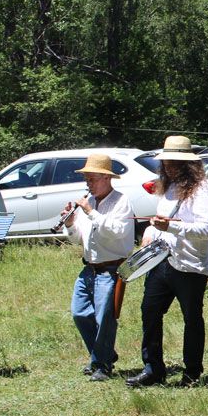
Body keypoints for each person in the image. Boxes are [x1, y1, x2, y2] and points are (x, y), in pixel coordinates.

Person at [127, 136, 208, 388]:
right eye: (166, 162)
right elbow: (162, 221)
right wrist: (151, 233)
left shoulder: (204, 191)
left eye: (175, 162)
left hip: (190, 264)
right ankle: (153, 369)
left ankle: (192, 372)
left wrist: (172, 228)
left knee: (192, 317)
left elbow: (207, 229)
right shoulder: (168, 188)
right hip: (161, 261)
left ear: (189, 164)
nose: (169, 166)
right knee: (150, 312)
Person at [62, 153, 135, 381]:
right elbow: (78, 239)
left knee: (105, 317)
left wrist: (91, 213)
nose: (89, 184)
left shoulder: (121, 201)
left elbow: (117, 231)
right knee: (79, 312)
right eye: (87, 180)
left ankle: (102, 364)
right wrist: (70, 223)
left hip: (111, 269)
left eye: (92, 179)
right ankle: (102, 354)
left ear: (106, 178)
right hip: (89, 268)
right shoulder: (90, 202)